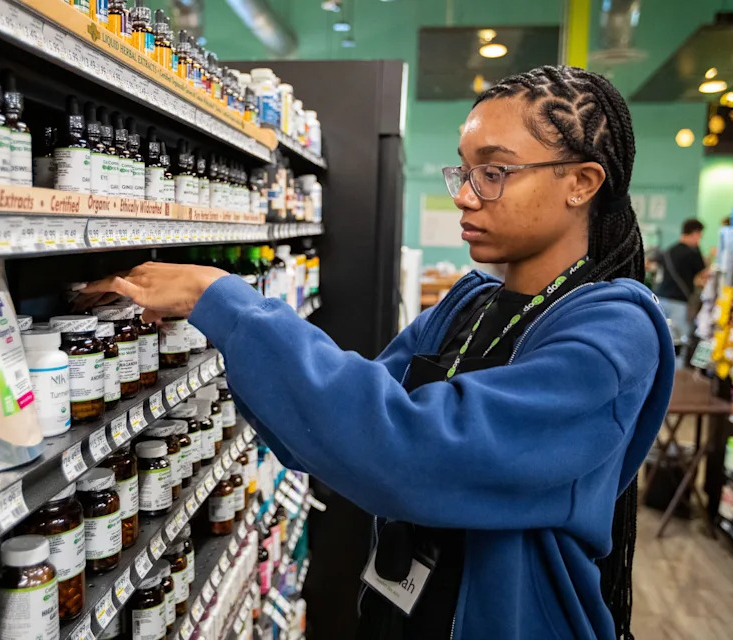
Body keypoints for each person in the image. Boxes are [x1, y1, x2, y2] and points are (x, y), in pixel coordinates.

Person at [80, 66, 675, 640]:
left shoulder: (614, 331)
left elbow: (414, 449)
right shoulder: (464, 306)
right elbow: (341, 432)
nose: (465, 197)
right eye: (463, 172)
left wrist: (227, 302)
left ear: (582, 183)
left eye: (494, 172)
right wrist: (212, 321)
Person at [653, 218, 707, 366]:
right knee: (680, 341)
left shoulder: (669, 251)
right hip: (679, 301)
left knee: (660, 337)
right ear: (695, 233)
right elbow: (702, 274)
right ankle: (676, 374)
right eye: (700, 236)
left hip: (660, 298)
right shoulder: (693, 253)